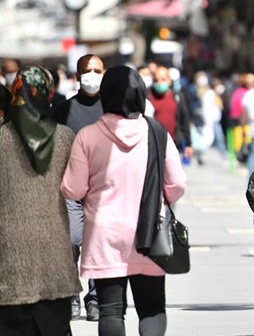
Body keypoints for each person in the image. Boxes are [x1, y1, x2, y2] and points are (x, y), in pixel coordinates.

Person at [61, 66, 187, 335]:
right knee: (152, 308)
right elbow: (176, 184)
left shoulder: (88, 136)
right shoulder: (157, 132)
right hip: (149, 233)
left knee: (110, 310)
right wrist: (162, 200)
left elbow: (72, 189)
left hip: (104, 235)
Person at [0, 65, 81, 336]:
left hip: (9, 251)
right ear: (48, 94)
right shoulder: (66, 137)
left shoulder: (0, 139)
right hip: (53, 248)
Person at [52, 53, 105, 322]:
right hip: (71, 189)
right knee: (72, 241)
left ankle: (94, 298)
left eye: (98, 70)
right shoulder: (63, 110)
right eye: (87, 71)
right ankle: (71, 292)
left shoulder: (113, 109)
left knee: (96, 245)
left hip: (102, 190)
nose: (92, 75)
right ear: (77, 76)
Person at [148, 65, 193, 158]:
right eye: (156, 80)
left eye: (163, 79)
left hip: (173, 143)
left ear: (169, 80)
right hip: (152, 144)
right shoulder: (147, 96)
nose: (159, 83)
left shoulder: (177, 97)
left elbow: (184, 121)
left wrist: (188, 144)